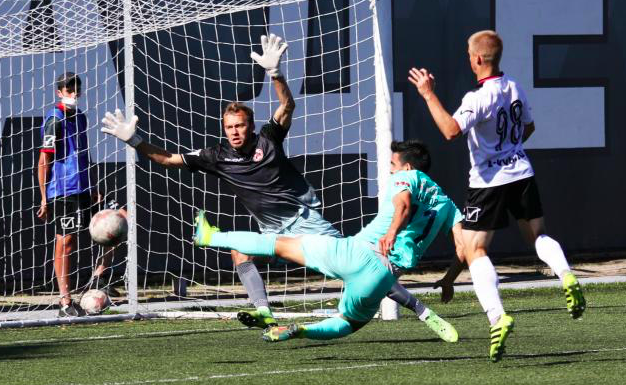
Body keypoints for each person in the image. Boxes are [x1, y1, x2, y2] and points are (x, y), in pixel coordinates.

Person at [101, 35, 459, 342]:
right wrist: (135, 140)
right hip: (271, 227)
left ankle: (421, 309)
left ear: (251, 125)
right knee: (241, 253)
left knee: (358, 268)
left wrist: (275, 74)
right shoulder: (215, 155)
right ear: (223, 129)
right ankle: (265, 312)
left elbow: (287, 105)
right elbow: (167, 160)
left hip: (303, 220)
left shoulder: (268, 139)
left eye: (240, 125)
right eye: (229, 127)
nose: (235, 132)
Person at [408, 30, 586, 361]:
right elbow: (528, 128)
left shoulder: (477, 98)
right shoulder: (515, 87)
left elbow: (449, 131)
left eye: (468, 54)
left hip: (488, 182)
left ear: (477, 59)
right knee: (538, 236)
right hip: (522, 173)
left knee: (475, 250)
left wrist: (428, 94)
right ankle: (566, 274)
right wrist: (508, 148)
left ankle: (496, 316)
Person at [191, 139, 465, 343]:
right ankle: (303, 330)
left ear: (405, 166)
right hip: (382, 277)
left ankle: (213, 236)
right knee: (349, 323)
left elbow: (403, 205)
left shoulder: (407, 176)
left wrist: (392, 231)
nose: (391, 171)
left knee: (279, 243)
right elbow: (463, 249)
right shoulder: (449, 205)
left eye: (392, 165)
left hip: (353, 253)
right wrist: (449, 279)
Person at [36, 72, 120, 317]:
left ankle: (98, 278)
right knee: (66, 243)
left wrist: (93, 185)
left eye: (76, 91)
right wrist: (44, 197)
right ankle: (65, 303)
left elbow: (83, 154)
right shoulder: (55, 119)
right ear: (59, 92)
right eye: (68, 90)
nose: (73, 94)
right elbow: (44, 159)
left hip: (85, 188)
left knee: (119, 219)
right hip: (63, 190)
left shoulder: (80, 117)